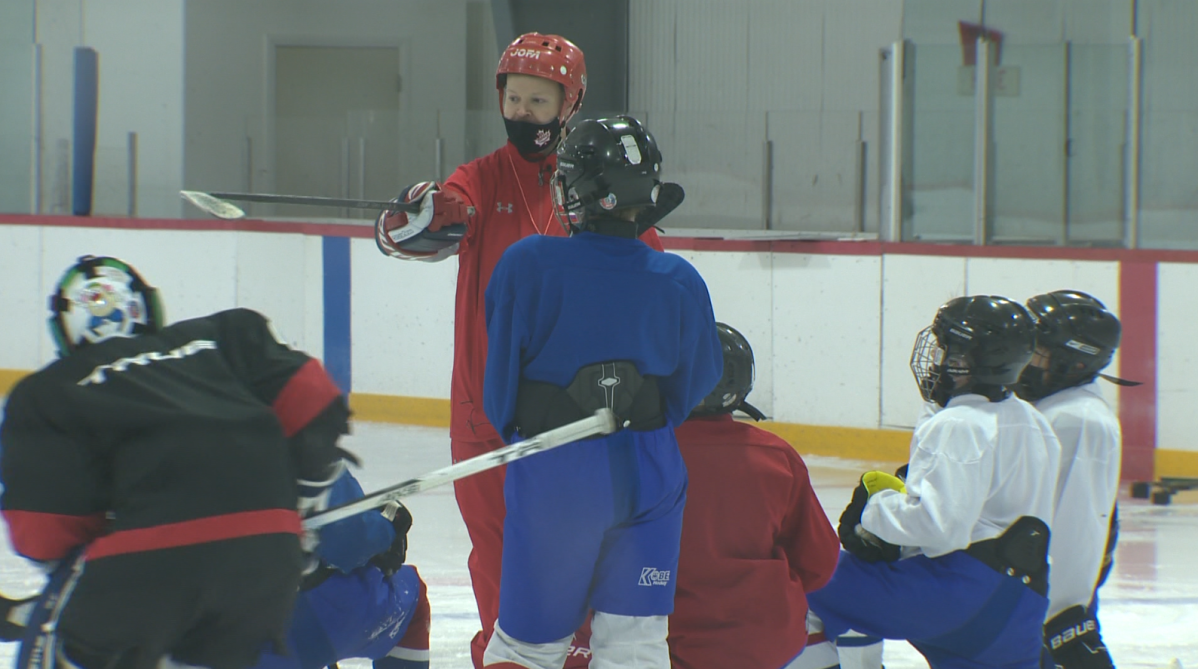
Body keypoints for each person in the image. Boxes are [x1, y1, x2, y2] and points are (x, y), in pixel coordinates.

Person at [372, 32, 665, 668]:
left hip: (574, 421)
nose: (523, 112)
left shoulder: (596, 182)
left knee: (579, 557)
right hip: (485, 416)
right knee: (499, 563)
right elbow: (401, 236)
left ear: (570, 103)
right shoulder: (478, 178)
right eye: (514, 97)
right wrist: (426, 211)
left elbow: (646, 267)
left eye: (539, 99)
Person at [0, 255, 351, 669]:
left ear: (64, 327)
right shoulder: (224, 336)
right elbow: (316, 403)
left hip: (141, 569)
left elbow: (42, 532)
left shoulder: (48, 391)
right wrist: (300, 505)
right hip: (267, 562)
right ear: (147, 307)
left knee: (57, 632)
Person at [480, 115, 722, 669]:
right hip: (652, 471)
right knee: (635, 647)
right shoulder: (679, 279)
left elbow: (500, 388)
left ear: (578, 189)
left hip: (557, 471)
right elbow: (696, 382)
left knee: (526, 647)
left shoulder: (527, 264)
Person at [807, 295, 1062, 669]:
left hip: (959, 598)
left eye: (950, 355)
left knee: (805, 576)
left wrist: (874, 510)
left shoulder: (959, 424)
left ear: (971, 363)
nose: (941, 362)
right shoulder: (1033, 420)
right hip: (1019, 604)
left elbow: (939, 527)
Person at [667, 323, 840, 669]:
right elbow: (819, 564)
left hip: (674, 644)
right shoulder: (777, 456)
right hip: (768, 641)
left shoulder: (644, 455)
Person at [1011, 290, 1125, 669]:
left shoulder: (1079, 420)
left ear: (1072, 363)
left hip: (1046, 601)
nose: (1025, 360)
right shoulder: (1057, 408)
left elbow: (1078, 530)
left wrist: (1059, 616)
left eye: (1037, 351)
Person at [253, 471, 430, 669]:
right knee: (411, 594)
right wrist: (387, 526)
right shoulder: (300, 446)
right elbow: (349, 541)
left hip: (218, 633)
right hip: (286, 629)